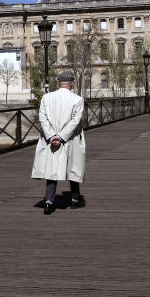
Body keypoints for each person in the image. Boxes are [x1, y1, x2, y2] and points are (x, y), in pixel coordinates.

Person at [32, 71, 86, 215]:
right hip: (70, 139)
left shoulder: (46, 98)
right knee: (72, 166)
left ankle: (49, 202)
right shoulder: (77, 99)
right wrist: (62, 137)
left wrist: (51, 136)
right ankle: (75, 199)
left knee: (52, 168)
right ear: (71, 83)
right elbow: (75, 121)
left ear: (58, 83)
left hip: (50, 139)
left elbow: (42, 119)